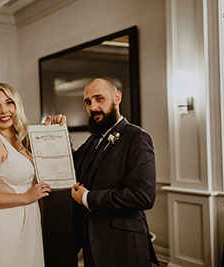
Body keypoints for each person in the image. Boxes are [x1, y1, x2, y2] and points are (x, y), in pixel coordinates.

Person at [45, 77, 159, 266]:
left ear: (117, 97)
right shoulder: (93, 141)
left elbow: (143, 196)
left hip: (124, 245)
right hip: (93, 244)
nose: (93, 107)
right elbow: (70, 166)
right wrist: (59, 135)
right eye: (88, 102)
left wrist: (87, 198)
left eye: (99, 99)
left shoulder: (137, 137)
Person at [0, 82, 51, 267]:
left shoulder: (20, 140)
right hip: (3, 229)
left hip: (27, 224)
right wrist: (25, 197)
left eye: (9, 102)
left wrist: (53, 130)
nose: (4, 110)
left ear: (17, 105)